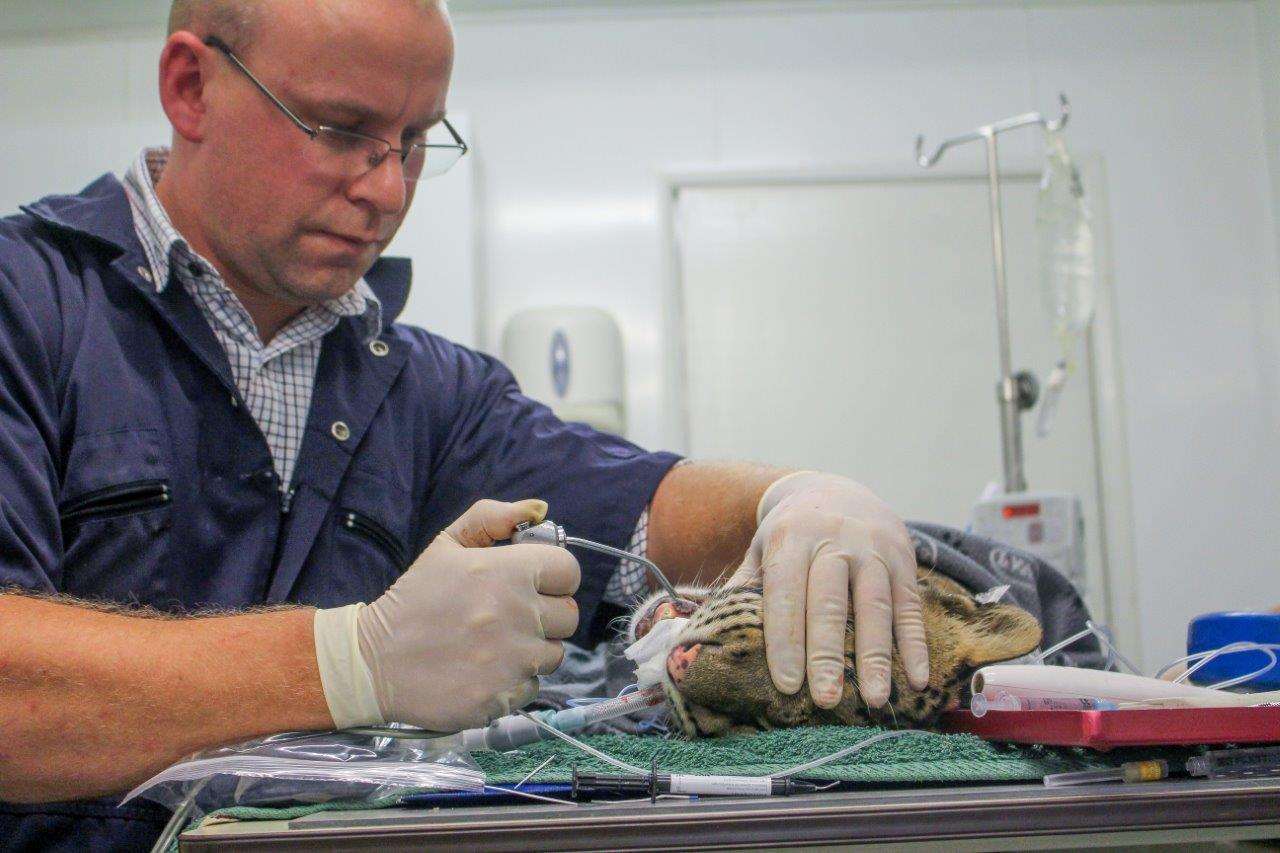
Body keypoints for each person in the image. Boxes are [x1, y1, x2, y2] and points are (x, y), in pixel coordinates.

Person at [0, 1, 928, 848]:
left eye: (413, 142)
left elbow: (644, 504)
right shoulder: (28, 309)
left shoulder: (429, 392)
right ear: (190, 88)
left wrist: (791, 497)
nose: (389, 190)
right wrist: (347, 663)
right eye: (342, 129)